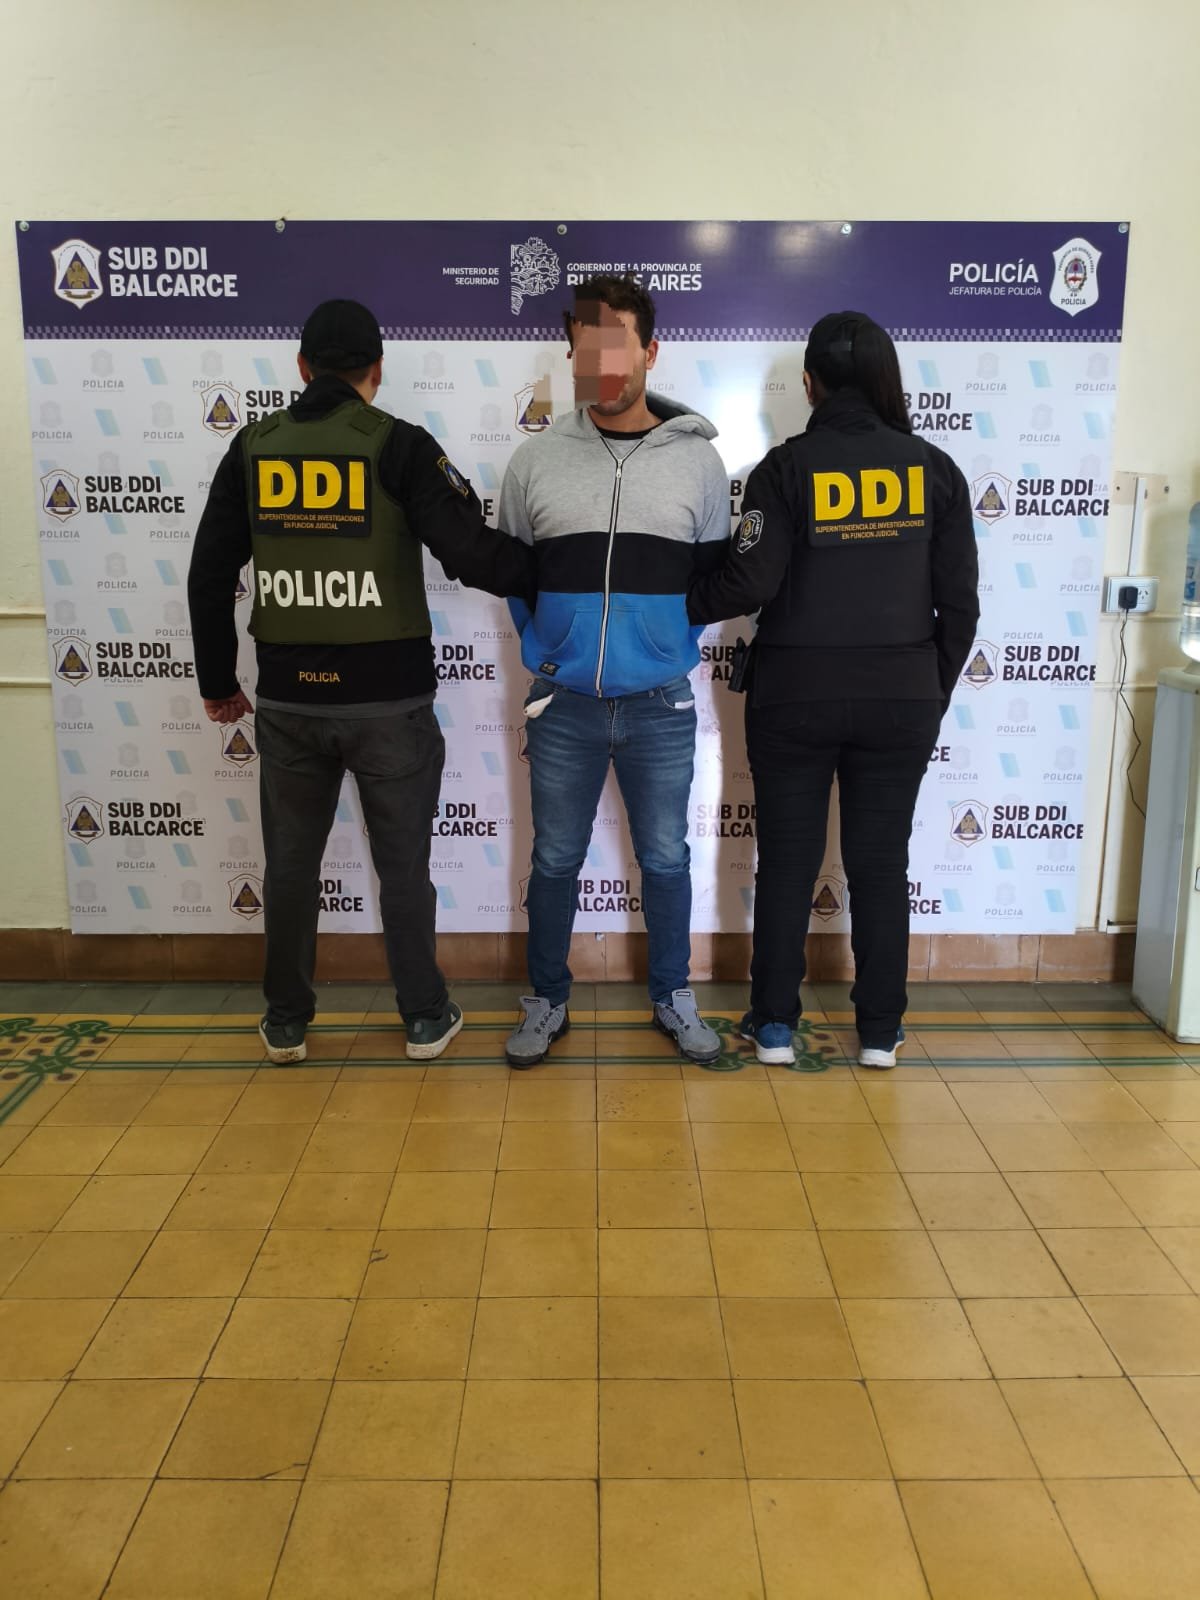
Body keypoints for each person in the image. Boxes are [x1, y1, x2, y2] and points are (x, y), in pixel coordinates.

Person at [188, 299, 535, 1065]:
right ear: (376, 370)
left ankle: (286, 1022)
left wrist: (217, 681)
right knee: (402, 869)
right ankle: (423, 1017)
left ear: (301, 368)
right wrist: (557, 572)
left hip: (288, 702)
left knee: (289, 868)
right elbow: (470, 552)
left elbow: (209, 574)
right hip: (389, 706)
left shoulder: (253, 447)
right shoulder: (399, 445)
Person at [687, 310, 979, 1069]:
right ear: (887, 380)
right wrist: (929, 690)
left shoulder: (784, 469)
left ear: (810, 384)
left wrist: (667, 599)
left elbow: (748, 583)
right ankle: (880, 1032)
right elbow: (962, 606)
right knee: (881, 866)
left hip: (795, 694)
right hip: (901, 696)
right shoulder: (936, 469)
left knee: (787, 863)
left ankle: (774, 1027)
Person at [499, 274, 730, 1067]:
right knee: (553, 859)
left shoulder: (699, 464)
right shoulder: (535, 462)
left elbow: (709, 583)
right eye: (586, 348)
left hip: (660, 702)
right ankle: (547, 1000)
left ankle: (672, 994)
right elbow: (517, 578)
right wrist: (551, 651)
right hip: (562, 702)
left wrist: (664, 647)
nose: (600, 364)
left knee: (665, 857)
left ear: (650, 352)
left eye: (616, 346)